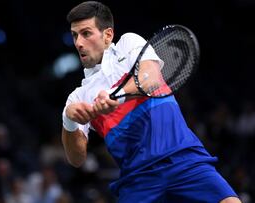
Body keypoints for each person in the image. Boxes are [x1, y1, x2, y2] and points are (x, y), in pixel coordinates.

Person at [61, 1, 242, 202]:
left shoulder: (128, 44)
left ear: (108, 35)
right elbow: (76, 159)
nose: (78, 43)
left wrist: (115, 95)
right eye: (75, 35)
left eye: (86, 33)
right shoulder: (78, 97)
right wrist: (68, 121)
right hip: (138, 180)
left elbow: (152, 78)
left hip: (183, 158)